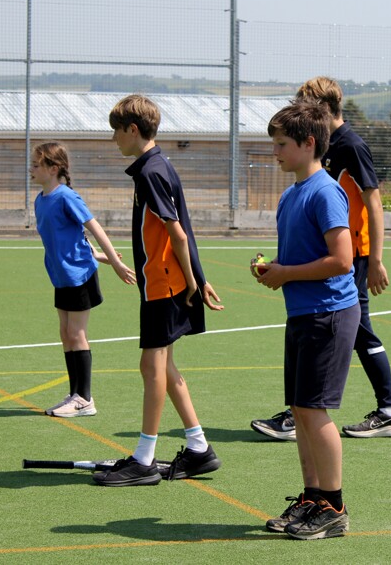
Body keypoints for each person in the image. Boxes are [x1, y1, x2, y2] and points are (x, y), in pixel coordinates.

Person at [251, 76, 391, 441]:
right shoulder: (314, 160)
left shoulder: (350, 145)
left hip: (352, 254)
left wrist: (377, 259)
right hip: (331, 252)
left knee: (355, 328)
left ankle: (385, 409)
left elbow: (373, 201)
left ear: (322, 109)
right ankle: (308, 409)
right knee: (355, 330)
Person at [93, 94, 225, 487]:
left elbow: (178, 233)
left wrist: (193, 282)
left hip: (165, 283)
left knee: (151, 367)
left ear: (133, 130)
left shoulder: (151, 172)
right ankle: (199, 448)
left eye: (116, 131)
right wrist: (196, 278)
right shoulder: (156, 166)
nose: (114, 139)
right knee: (163, 367)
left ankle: (144, 459)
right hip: (167, 281)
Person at [257, 99, 361, 540]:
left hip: (329, 314)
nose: (275, 151)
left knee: (315, 411)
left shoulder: (325, 191)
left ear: (308, 143)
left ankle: (334, 507)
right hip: (303, 314)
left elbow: (342, 260)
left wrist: (287, 274)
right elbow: (306, 254)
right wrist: (276, 269)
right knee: (300, 411)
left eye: (282, 144)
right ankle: (312, 497)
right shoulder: (291, 193)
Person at [31, 141, 136, 418]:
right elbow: (70, 237)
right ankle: (74, 393)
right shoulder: (41, 200)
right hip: (61, 275)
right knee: (65, 333)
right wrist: (97, 255)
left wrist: (114, 261)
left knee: (77, 334)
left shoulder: (66, 196)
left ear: (53, 168)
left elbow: (94, 228)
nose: (31, 169)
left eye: (36, 164)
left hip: (79, 277)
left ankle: (85, 399)